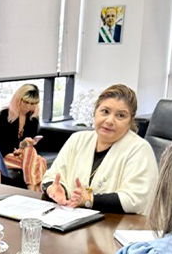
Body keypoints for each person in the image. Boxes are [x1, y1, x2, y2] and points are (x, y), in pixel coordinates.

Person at [42, 84, 158, 214]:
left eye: (120, 115)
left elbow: (135, 199)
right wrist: (55, 189)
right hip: (72, 223)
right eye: (105, 111)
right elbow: (51, 177)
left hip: (118, 226)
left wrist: (89, 199)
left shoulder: (140, 149)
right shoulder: (77, 139)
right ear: (95, 112)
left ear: (130, 121)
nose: (109, 121)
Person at [0, 83, 47, 191]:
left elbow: (29, 141)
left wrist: (23, 147)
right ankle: (34, 190)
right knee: (40, 161)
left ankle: (32, 191)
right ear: (18, 99)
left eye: (32, 104)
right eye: (26, 102)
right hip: (4, 155)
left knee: (32, 153)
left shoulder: (33, 118)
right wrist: (20, 145)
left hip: (22, 156)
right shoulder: (5, 114)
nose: (28, 107)